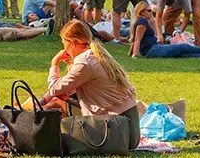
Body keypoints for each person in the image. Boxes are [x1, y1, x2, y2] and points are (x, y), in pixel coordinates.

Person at [30, 20, 141, 149]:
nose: (62, 47)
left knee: (58, 108)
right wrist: (42, 101)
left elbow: (55, 89)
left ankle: (34, 124)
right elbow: (64, 91)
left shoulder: (85, 63)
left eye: (63, 42)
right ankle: (36, 110)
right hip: (129, 130)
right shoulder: (97, 54)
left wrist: (54, 63)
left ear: (71, 43)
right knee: (59, 101)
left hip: (119, 133)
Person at [131, 2, 200, 59]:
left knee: (180, 53)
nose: (151, 12)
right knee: (183, 46)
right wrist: (134, 55)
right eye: (149, 11)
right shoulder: (142, 22)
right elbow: (137, 39)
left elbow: (135, 38)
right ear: (141, 12)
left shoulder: (144, 21)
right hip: (151, 50)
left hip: (154, 48)